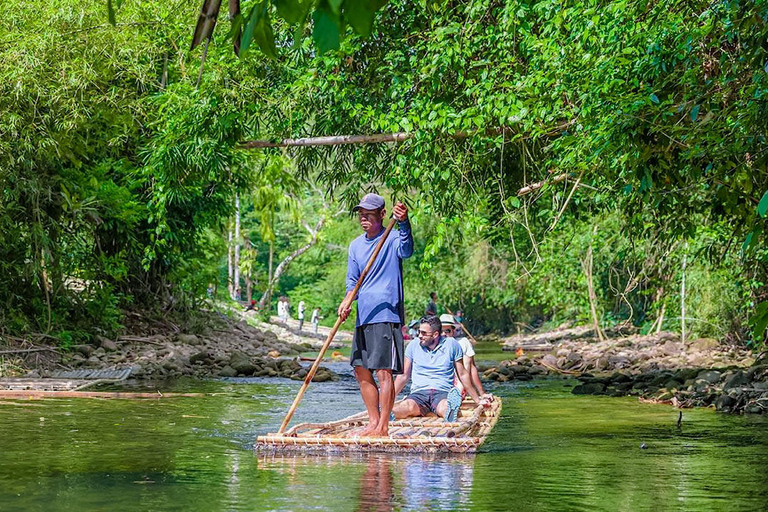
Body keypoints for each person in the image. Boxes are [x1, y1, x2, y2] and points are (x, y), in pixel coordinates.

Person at [338, 193, 413, 437]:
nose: (364, 219)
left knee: (384, 371)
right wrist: (347, 301)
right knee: (360, 369)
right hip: (365, 315)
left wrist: (404, 223)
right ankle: (372, 422)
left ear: (382, 215)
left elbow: (407, 250)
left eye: (369, 214)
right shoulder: (356, 246)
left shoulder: (391, 238)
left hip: (386, 314)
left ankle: (383, 426)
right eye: (361, 215)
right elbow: (353, 282)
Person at [392, 316, 490, 421]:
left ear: (435, 334)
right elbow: (403, 376)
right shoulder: (413, 345)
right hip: (419, 392)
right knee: (407, 405)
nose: (420, 336)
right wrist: (387, 400)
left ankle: (451, 411)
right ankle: (390, 413)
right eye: (419, 332)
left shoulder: (452, 345)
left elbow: (463, 374)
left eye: (424, 333)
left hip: (442, 392)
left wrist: (477, 399)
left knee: (444, 406)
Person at [439, 314, 486, 399]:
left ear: (453, 331)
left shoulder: (463, 343)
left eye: (447, 331)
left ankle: (459, 392)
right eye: (441, 331)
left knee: (466, 358)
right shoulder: (433, 345)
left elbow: (472, 368)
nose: (443, 334)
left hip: (460, 383)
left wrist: (482, 393)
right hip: (441, 386)